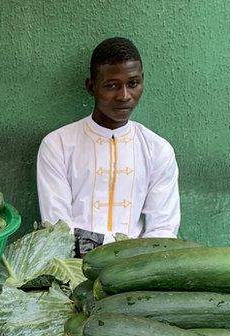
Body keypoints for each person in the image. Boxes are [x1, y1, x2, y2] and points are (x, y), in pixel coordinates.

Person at [36, 37, 180, 256]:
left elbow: (163, 232)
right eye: (112, 85)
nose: (124, 96)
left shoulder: (158, 150)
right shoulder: (58, 145)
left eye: (133, 84)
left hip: (136, 270)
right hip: (71, 266)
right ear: (91, 87)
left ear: (142, 81)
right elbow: (57, 231)